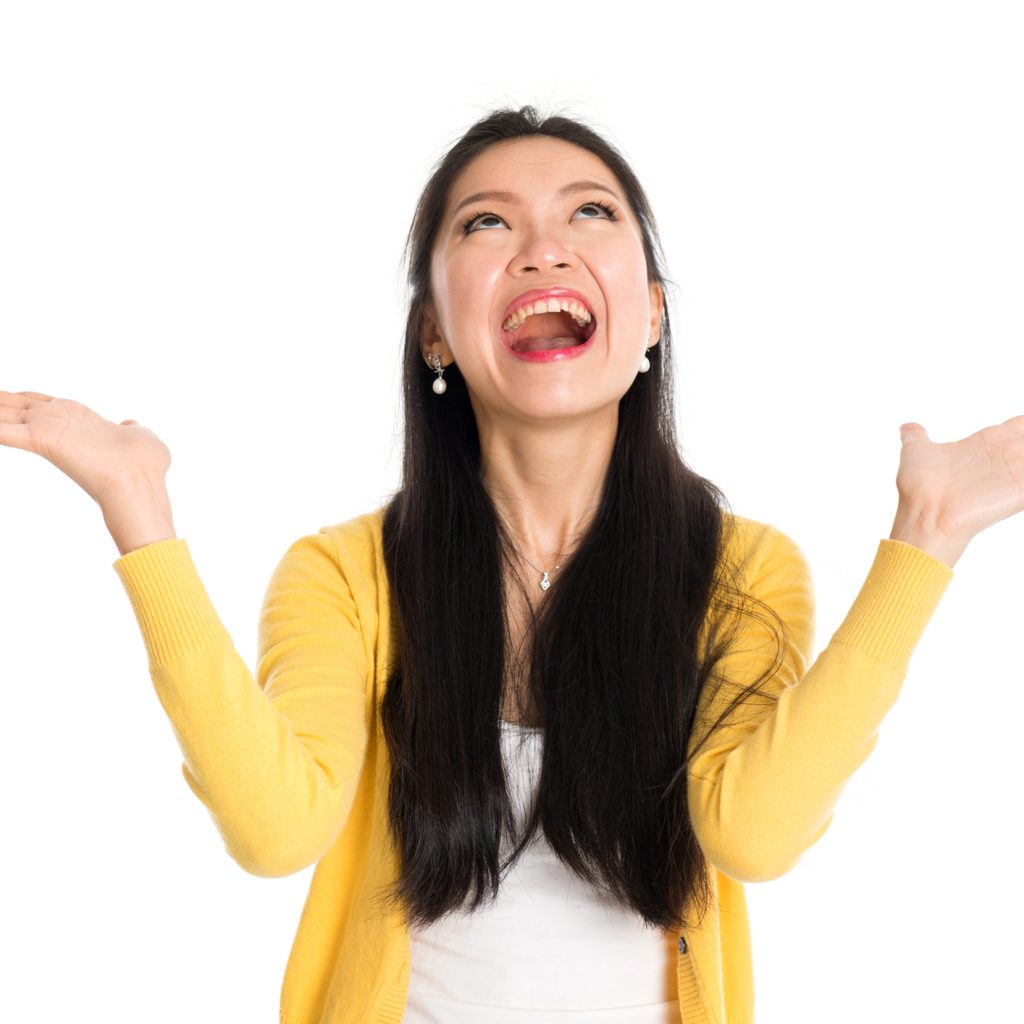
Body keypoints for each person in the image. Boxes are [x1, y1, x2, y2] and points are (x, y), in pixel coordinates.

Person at [1, 104, 1020, 1024]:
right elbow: (274, 831)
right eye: (487, 223)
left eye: (590, 214)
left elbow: (753, 833)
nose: (543, 249)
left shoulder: (740, 570)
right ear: (434, 332)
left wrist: (923, 536)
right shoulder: (344, 574)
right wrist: (141, 512)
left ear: (651, 316)